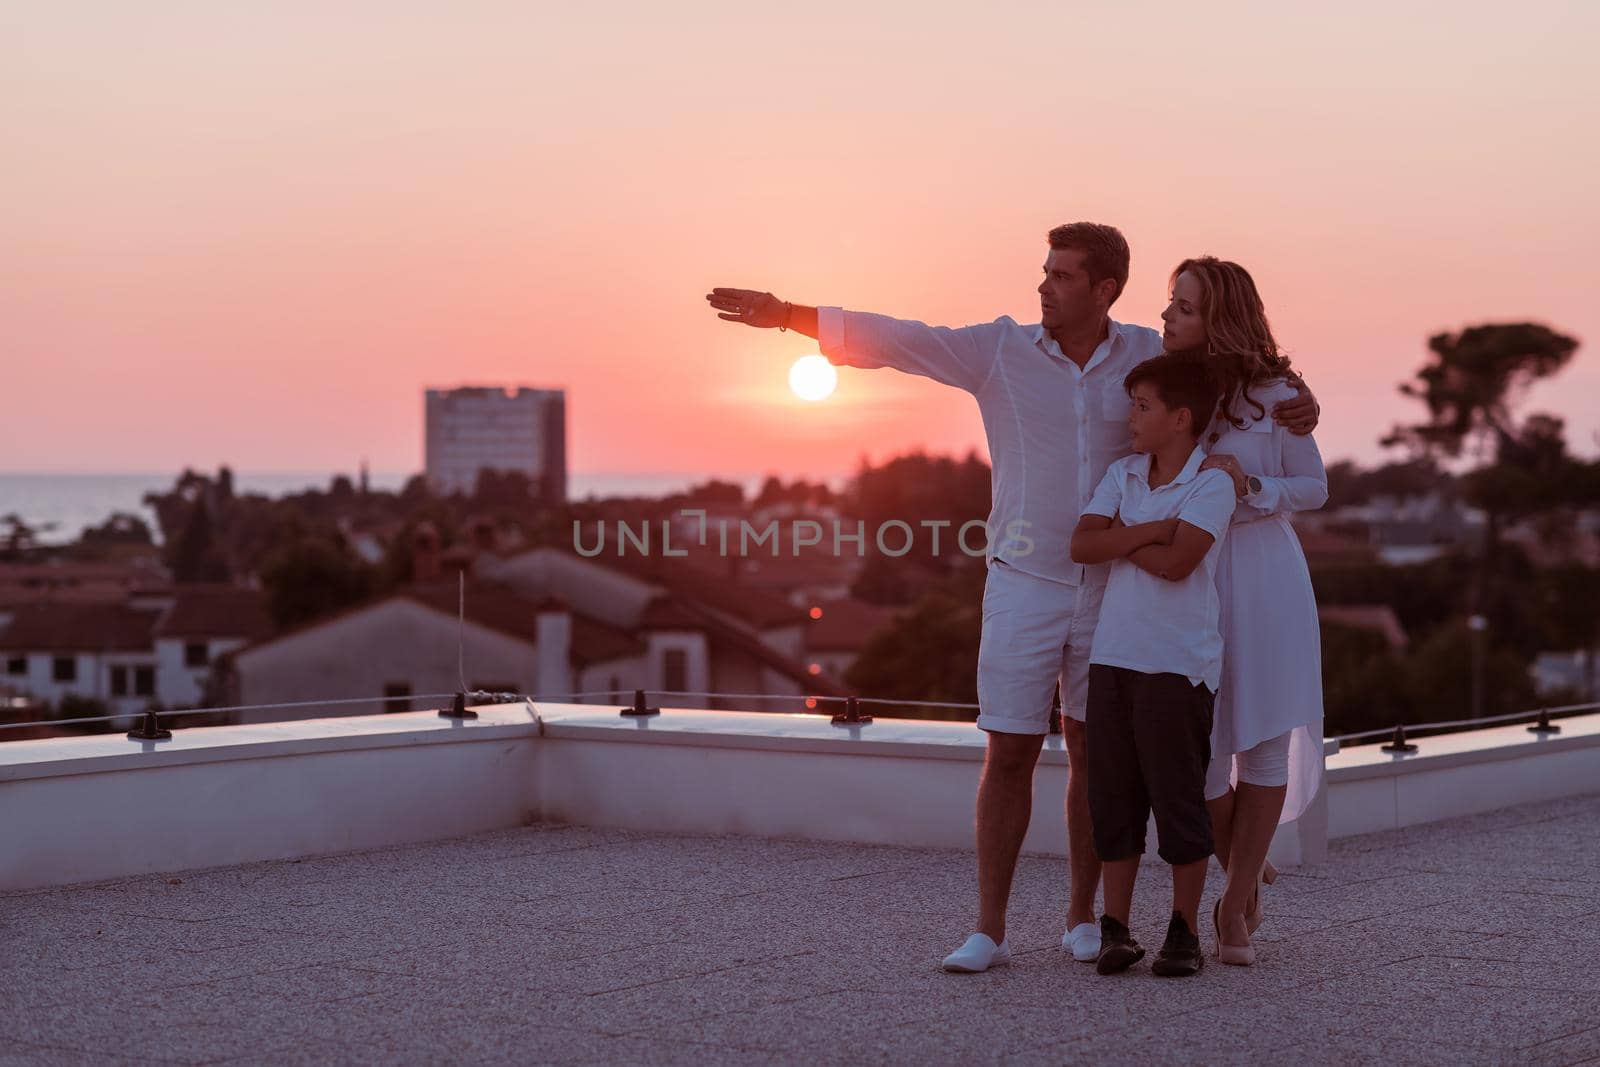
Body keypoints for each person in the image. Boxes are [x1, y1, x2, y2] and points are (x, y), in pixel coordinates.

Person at [704, 224, 1318, 974]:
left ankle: (1084, 919)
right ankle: (988, 928)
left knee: (1102, 756)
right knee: (1009, 750)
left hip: (1113, 592)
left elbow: (1230, 369)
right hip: (1024, 580)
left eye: (1062, 275)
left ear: (1104, 290)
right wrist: (789, 314)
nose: (1044, 286)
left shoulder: (1144, 354)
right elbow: (900, 338)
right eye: (1045, 271)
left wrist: (1299, 400)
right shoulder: (997, 349)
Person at [1161, 257, 1329, 966]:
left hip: (1263, 571)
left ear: (1220, 318)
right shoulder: (1160, 383)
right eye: (1170, 303)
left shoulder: (1277, 395)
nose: (1169, 316)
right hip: (1187, 576)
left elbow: (1315, 486)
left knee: (1259, 735)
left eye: (1185, 306)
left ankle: (1232, 907)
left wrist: (1250, 480)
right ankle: (1246, 867)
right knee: (1198, 751)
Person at [1070, 354, 1236, 977]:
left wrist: (1127, 536)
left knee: (1177, 800)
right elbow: (1081, 546)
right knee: (1112, 798)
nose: (1130, 416)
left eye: (1143, 406)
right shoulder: (1123, 473)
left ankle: (1184, 931)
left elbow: (1179, 564)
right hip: (1112, 658)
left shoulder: (1212, 484)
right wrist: (1155, 529)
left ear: (1182, 418)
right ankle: (1116, 928)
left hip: (1178, 665)